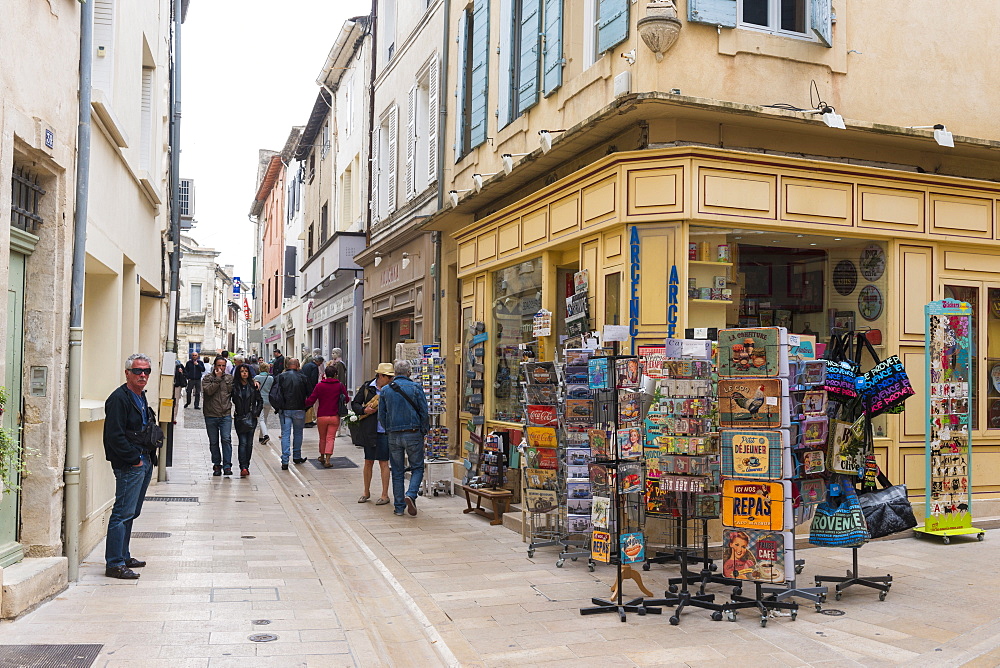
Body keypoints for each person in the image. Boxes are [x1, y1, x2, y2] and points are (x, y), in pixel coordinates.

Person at [103, 353, 158, 579]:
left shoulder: (140, 396)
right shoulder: (119, 398)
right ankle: (114, 563)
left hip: (144, 460)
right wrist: (134, 459)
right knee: (122, 513)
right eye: (138, 371)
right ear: (127, 373)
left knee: (132, 512)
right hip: (130, 464)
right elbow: (113, 436)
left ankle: (123, 556)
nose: (142, 375)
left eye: (146, 371)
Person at [379, 359, 430, 517]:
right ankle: (412, 494)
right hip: (413, 432)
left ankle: (399, 507)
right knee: (417, 467)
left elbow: (382, 415)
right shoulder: (415, 387)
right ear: (409, 373)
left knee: (397, 471)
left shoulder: (386, 390)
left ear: (394, 373)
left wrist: (389, 429)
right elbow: (424, 412)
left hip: (394, 434)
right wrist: (423, 431)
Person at [351, 363, 393, 505]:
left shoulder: (392, 389)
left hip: (385, 431)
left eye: (391, 377)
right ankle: (366, 492)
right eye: (388, 376)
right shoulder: (367, 387)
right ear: (380, 376)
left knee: (383, 462)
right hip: (369, 430)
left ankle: (384, 494)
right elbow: (355, 404)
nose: (390, 379)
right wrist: (364, 410)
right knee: (368, 461)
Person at [305, 365, 350, 467]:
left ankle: (321, 456)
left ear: (325, 374)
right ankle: (328, 460)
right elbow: (346, 399)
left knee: (322, 438)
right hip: (334, 416)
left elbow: (311, 400)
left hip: (322, 416)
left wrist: (302, 403)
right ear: (335, 375)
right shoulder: (340, 385)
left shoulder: (319, 386)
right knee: (331, 438)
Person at [202, 356, 235, 476]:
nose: (221, 368)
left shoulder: (229, 379)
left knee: (226, 439)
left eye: (223, 366)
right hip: (211, 414)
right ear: (214, 366)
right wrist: (217, 379)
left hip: (225, 414)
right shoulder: (207, 378)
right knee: (214, 441)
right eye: (219, 365)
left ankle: (227, 465)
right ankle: (216, 464)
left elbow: (235, 391)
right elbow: (209, 391)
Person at [276, 357, 310, 469]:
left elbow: (275, 393)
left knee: (285, 434)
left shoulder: (281, 377)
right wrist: (306, 407)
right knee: (298, 433)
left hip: (285, 409)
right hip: (299, 408)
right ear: (298, 365)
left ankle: (285, 460)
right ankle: (297, 456)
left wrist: (278, 406)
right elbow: (310, 394)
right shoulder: (303, 377)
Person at [232, 363, 263, 478]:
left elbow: (260, 400)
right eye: (242, 371)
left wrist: (256, 413)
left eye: (246, 371)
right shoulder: (234, 386)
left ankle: (247, 465)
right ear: (238, 373)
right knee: (243, 442)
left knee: (249, 443)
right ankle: (243, 467)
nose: (244, 373)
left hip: (251, 417)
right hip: (239, 417)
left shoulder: (253, 386)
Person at [253, 361, 275, 445]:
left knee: (261, 419)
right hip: (268, 400)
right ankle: (261, 437)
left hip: (260, 401)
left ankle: (265, 435)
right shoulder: (271, 378)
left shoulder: (256, 377)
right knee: (264, 418)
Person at [302, 354, 324, 428]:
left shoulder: (306, 365)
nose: (320, 364)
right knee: (310, 404)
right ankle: (308, 421)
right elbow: (314, 379)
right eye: (320, 363)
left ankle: (305, 420)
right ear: (318, 362)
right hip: (310, 387)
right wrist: (314, 389)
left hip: (303, 386)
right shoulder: (314, 367)